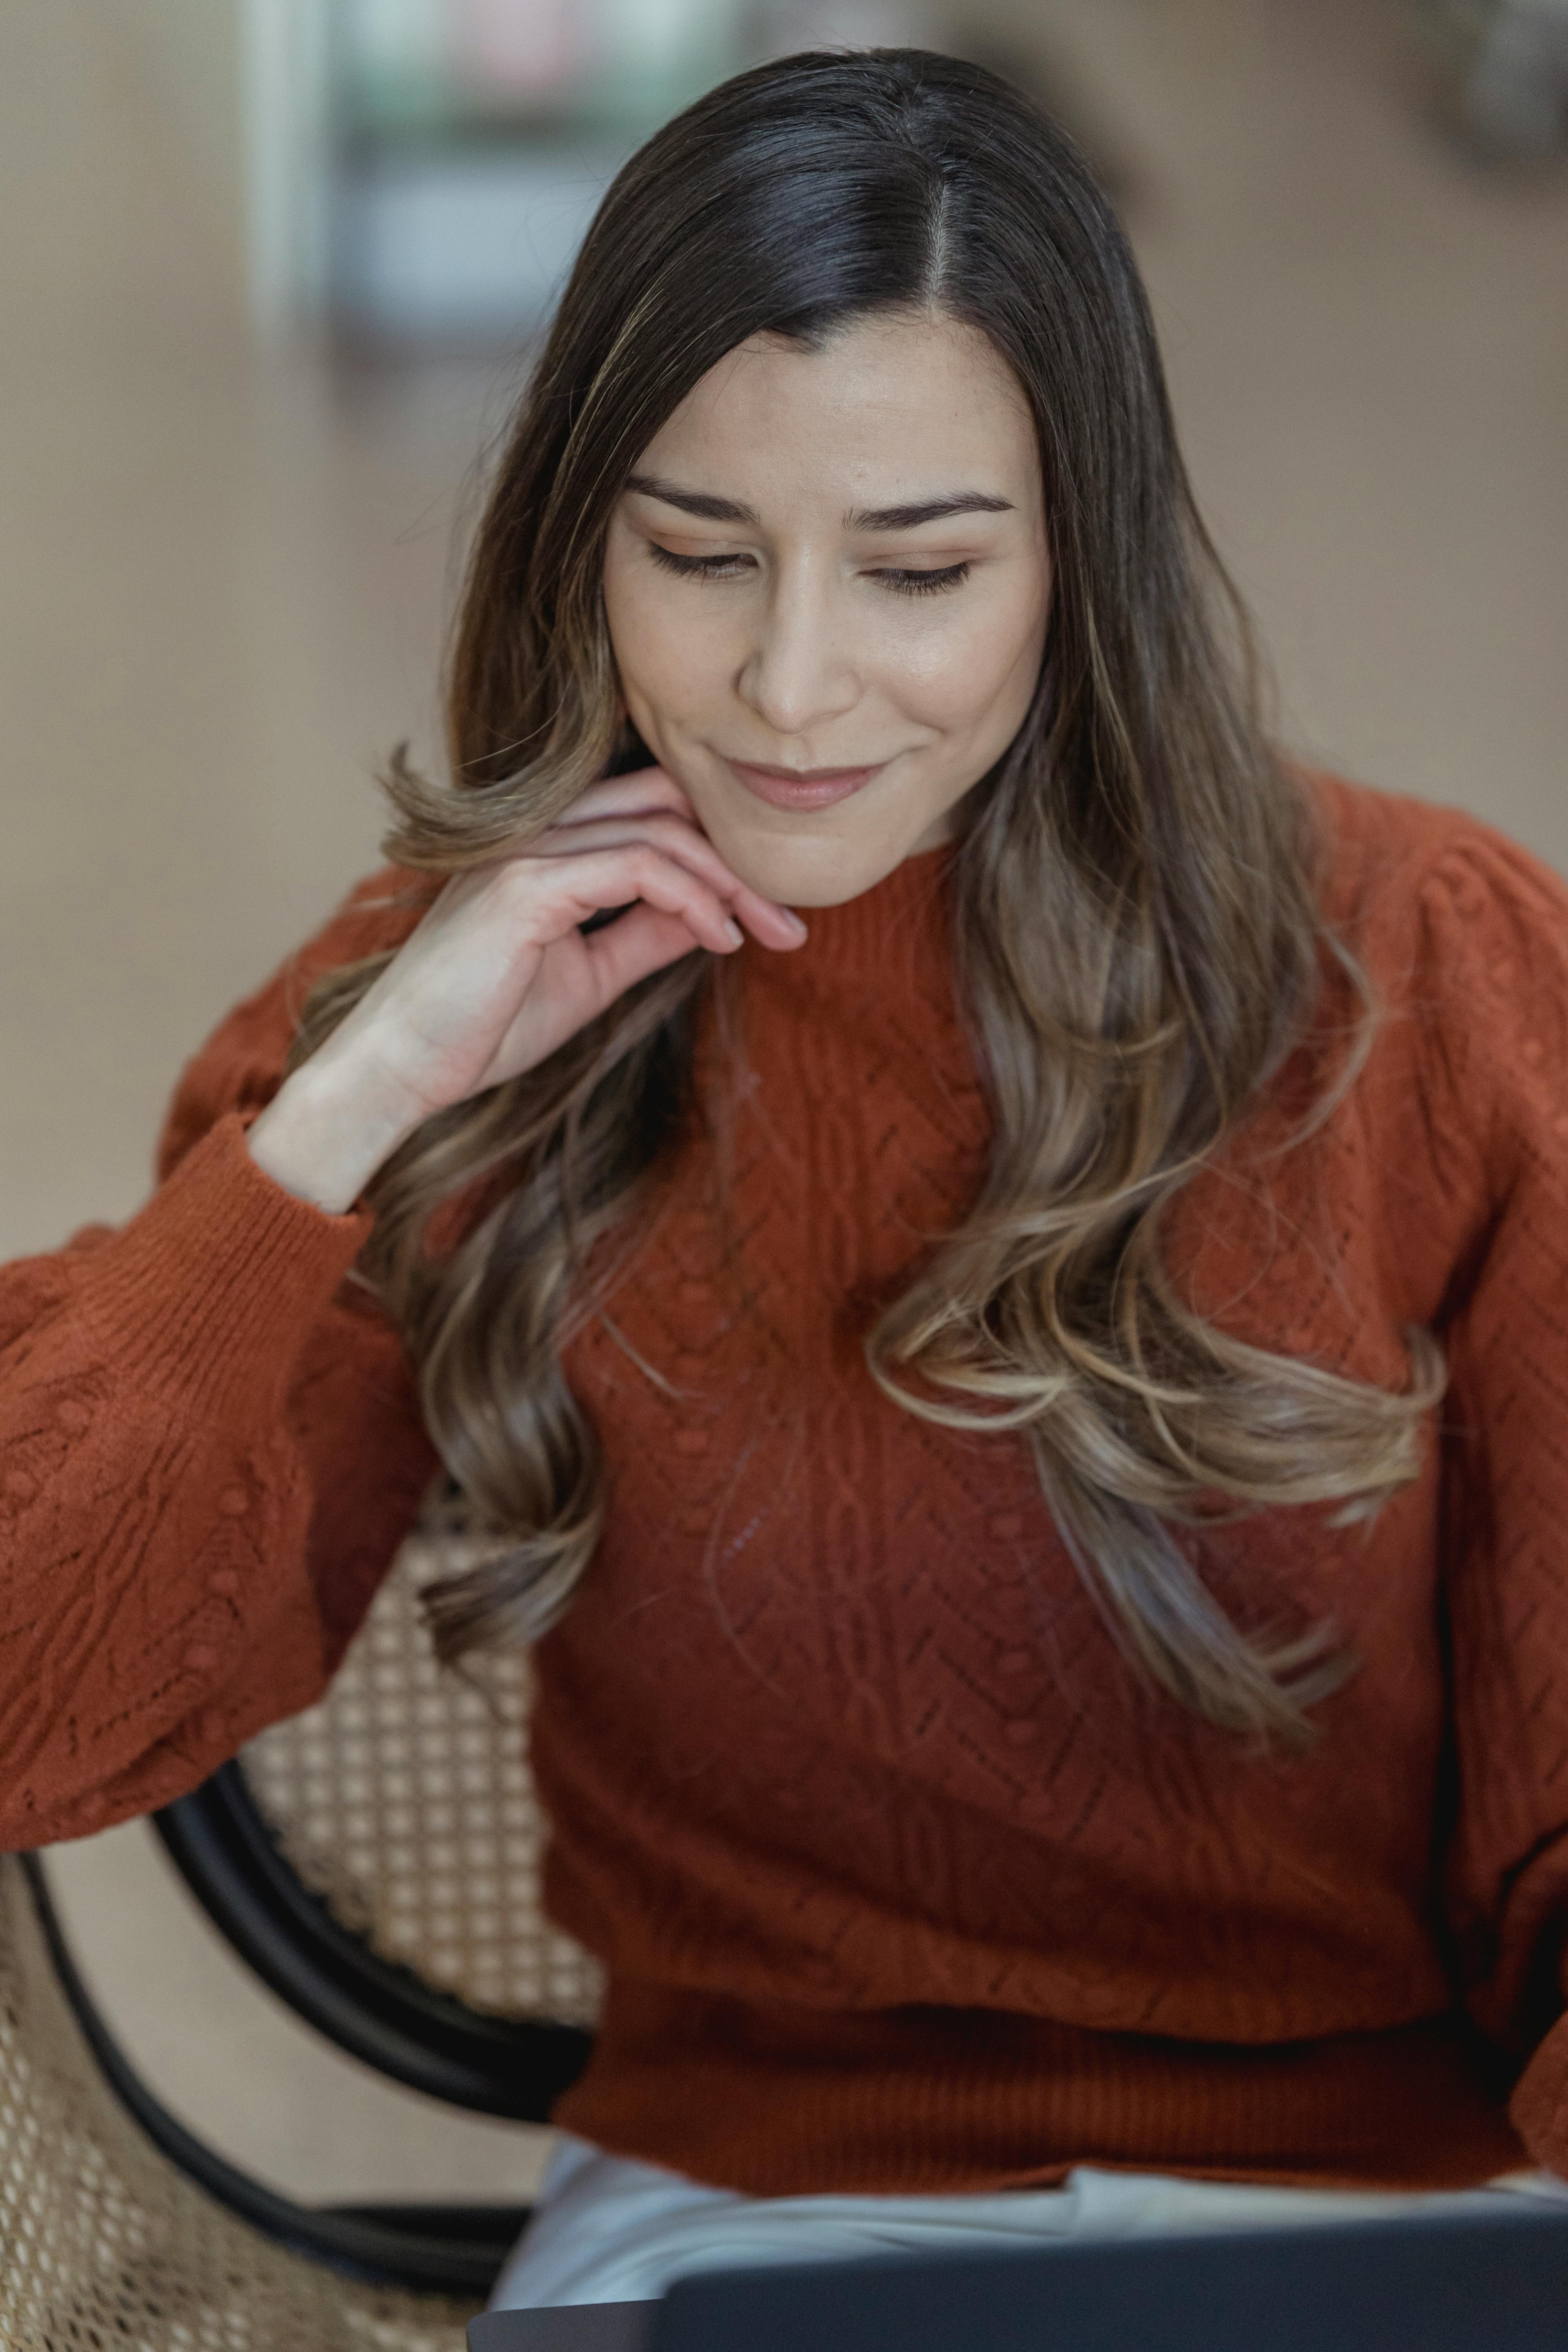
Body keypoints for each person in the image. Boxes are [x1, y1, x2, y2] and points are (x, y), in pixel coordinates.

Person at [4, 46, 1568, 2315]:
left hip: (1381, 2229)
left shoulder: (1446, 975)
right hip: (767, 2231)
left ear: (1079, 561)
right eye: (695, 553)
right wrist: (349, 1116)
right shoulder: (460, 995)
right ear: (580, 541)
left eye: (920, 566)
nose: (792, 686)